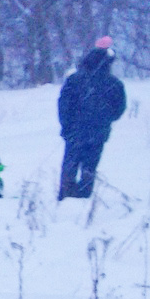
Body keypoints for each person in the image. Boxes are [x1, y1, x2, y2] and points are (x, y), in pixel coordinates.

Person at [57, 39, 127, 200]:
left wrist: (67, 125)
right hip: (98, 132)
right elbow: (119, 109)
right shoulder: (114, 84)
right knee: (90, 166)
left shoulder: (74, 80)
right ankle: (84, 195)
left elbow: (63, 105)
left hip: (74, 131)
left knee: (70, 164)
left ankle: (66, 195)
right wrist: (104, 120)